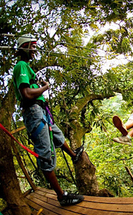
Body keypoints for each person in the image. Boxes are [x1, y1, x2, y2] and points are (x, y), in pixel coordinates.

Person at [13, 34, 84, 206]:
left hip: (40, 112)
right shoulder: (21, 65)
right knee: (45, 153)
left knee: (57, 136)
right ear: (24, 47)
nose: (34, 50)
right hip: (34, 112)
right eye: (32, 46)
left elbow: (31, 89)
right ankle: (61, 196)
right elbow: (27, 93)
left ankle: (74, 155)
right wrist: (45, 87)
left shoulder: (28, 68)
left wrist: (40, 85)